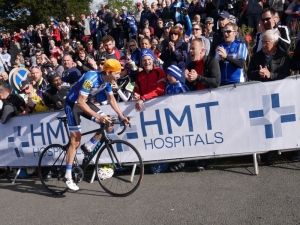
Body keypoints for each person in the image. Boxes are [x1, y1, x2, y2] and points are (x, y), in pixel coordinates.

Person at [63, 58, 130, 191]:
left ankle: (88, 146)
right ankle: (68, 175)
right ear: (108, 72)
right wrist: (98, 116)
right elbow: (80, 103)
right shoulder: (91, 79)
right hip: (73, 105)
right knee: (75, 141)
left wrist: (122, 117)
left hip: (84, 103)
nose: (118, 76)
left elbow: (111, 100)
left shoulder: (108, 81)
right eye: (117, 73)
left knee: (109, 123)